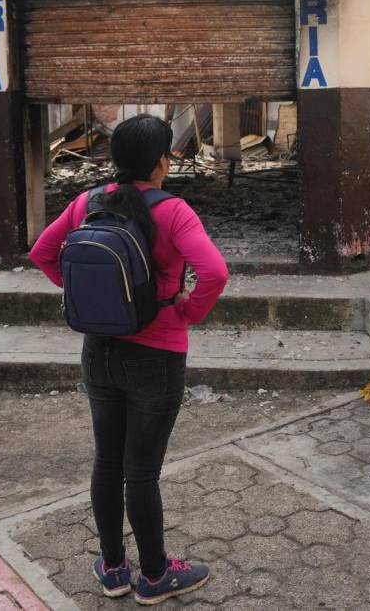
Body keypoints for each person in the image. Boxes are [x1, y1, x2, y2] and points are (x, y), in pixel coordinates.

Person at [30, 113, 229, 604]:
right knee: (141, 472)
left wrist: (91, 298)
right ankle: (157, 577)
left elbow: (42, 253)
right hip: (157, 354)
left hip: (98, 349)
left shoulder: (86, 202)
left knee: (107, 463)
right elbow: (214, 273)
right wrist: (188, 311)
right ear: (162, 161)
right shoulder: (174, 211)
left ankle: (114, 570)